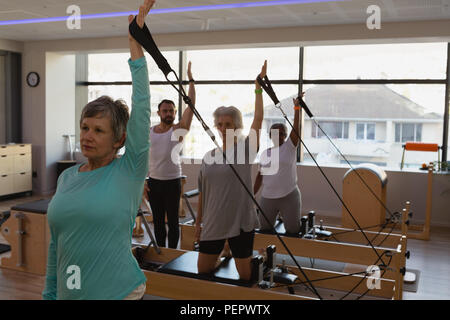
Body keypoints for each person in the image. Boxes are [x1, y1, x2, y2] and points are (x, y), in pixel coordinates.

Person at [42, 0, 155, 300]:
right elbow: (58, 244)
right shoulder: (67, 178)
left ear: (119, 139)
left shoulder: (129, 171)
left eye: (98, 130)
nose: (87, 136)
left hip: (119, 292)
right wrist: (49, 293)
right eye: (84, 127)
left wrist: (136, 47)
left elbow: (142, 109)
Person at [194, 61, 267, 281]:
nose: (224, 129)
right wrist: (198, 223)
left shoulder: (246, 149)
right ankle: (223, 254)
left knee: (245, 276)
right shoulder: (208, 157)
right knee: (203, 270)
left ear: (237, 127)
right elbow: (203, 194)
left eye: (229, 124)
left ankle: (260, 258)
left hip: (241, 221)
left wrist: (258, 89)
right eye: (221, 124)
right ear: (216, 126)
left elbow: (258, 119)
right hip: (214, 222)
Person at [145, 62, 196, 249]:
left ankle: (172, 254)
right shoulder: (149, 132)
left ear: (175, 113)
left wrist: (191, 81)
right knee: (157, 221)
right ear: (158, 112)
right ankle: (161, 253)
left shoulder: (177, 131)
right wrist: (144, 181)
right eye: (165, 111)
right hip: (153, 182)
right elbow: (143, 159)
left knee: (173, 222)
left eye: (171, 111)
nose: (168, 114)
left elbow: (190, 107)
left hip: (172, 182)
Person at [253, 97, 302, 234]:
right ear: (270, 135)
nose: (278, 136)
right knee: (264, 229)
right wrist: (252, 194)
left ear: (285, 135)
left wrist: (297, 108)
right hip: (268, 197)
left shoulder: (290, 146)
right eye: (275, 133)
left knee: (293, 231)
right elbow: (259, 176)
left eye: (282, 133)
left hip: (289, 195)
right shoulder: (265, 154)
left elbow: (296, 128)